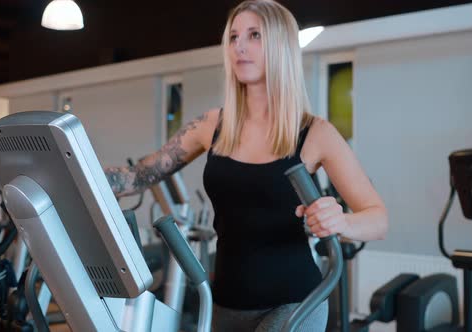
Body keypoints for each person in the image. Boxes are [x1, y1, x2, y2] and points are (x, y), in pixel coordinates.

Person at [105, 0, 388, 330]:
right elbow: (137, 177)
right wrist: (70, 169)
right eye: (234, 37)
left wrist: (341, 222)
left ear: (280, 46)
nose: (239, 46)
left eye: (254, 35)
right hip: (226, 303)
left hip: (295, 302)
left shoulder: (315, 133)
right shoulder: (212, 126)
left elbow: (377, 218)